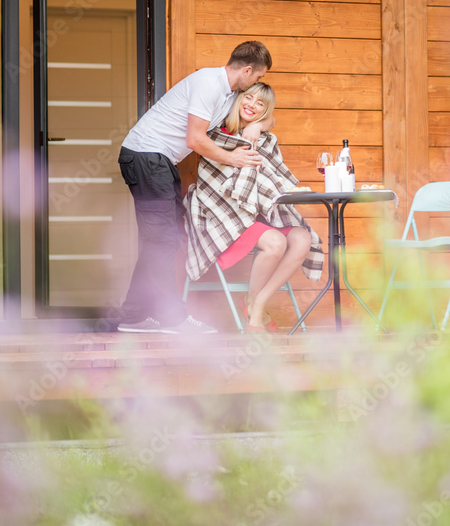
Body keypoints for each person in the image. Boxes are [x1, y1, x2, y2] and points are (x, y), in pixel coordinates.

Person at [116, 41, 273, 333]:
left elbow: (262, 114)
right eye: (258, 77)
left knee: (160, 240)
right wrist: (233, 159)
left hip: (160, 162)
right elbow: (195, 140)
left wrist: (258, 126)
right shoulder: (207, 83)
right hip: (146, 157)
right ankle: (172, 319)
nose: (257, 83)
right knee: (163, 240)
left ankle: (133, 315)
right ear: (248, 70)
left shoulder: (229, 94)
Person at [183, 82, 323, 332]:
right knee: (275, 243)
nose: (252, 105)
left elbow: (270, 128)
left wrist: (259, 124)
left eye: (261, 104)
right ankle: (255, 312)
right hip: (222, 212)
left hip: (257, 213)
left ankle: (256, 302)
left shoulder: (264, 137)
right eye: (249, 98)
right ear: (238, 98)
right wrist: (258, 124)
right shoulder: (217, 130)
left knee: (302, 238)